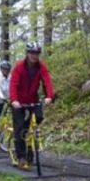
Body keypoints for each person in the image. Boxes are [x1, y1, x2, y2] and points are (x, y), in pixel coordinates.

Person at [9, 42, 54, 170]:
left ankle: (30, 143)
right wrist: (14, 100)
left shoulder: (41, 67)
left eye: (37, 53)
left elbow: (47, 81)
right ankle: (21, 157)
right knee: (19, 128)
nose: (34, 56)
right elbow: (13, 84)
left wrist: (49, 96)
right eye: (32, 53)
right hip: (19, 102)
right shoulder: (19, 67)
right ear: (27, 53)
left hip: (33, 100)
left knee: (38, 118)